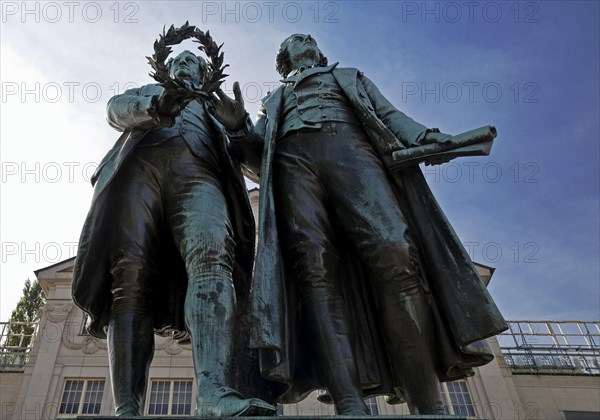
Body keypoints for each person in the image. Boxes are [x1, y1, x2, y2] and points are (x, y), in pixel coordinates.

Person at [213, 34, 507, 415]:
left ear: (319, 52)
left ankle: (426, 404)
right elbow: (257, 162)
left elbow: (389, 117)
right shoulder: (274, 101)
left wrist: (431, 139)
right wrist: (239, 129)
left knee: (395, 251)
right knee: (313, 273)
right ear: (283, 61)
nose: (303, 39)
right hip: (293, 168)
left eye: (308, 38)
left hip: (352, 152)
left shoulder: (349, 77)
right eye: (293, 41)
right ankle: (349, 403)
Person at [72, 50, 276, 417]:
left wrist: (238, 127)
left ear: (204, 73)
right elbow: (115, 110)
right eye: (178, 62)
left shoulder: (216, 108)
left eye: (191, 63)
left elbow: (261, 168)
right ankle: (127, 408)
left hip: (199, 176)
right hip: (139, 175)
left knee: (214, 259)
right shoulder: (149, 91)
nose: (183, 66)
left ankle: (214, 394)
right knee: (129, 281)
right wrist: (155, 104)